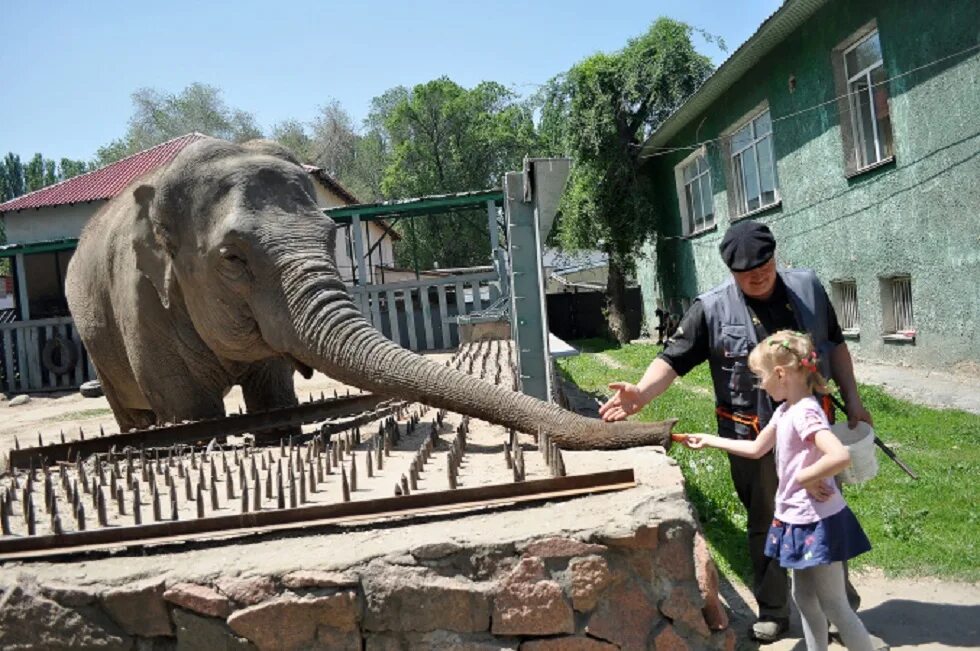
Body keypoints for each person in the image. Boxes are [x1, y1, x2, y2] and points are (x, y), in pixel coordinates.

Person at [599, 220, 872, 642]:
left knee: (822, 507)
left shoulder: (809, 288)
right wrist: (639, 394)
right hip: (750, 431)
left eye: (764, 265)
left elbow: (835, 346)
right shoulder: (710, 307)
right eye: (746, 273)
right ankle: (775, 610)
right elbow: (673, 358)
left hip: (811, 430)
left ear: (774, 257)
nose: (758, 275)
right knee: (767, 518)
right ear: (731, 272)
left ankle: (839, 604)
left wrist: (852, 398)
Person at [681, 330, 876, 651]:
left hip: (818, 523)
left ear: (781, 374)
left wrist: (804, 476)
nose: (760, 384)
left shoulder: (806, 412)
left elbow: (838, 455)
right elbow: (757, 447)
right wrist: (709, 439)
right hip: (797, 520)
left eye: (760, 377)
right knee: (805, 600)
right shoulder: (785, 411)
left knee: (834, 606)